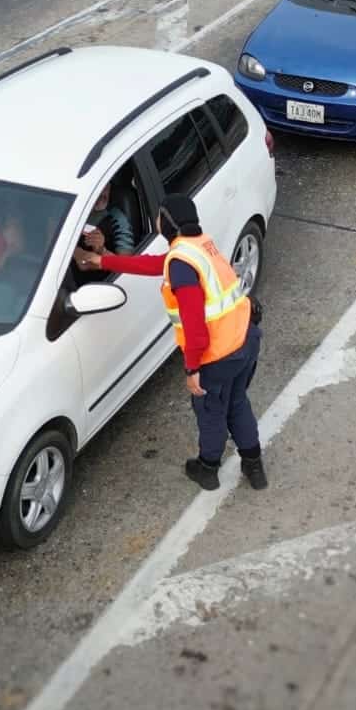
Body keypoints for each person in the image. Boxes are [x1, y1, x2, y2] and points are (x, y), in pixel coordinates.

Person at [79, 192, 267, 492]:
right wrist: (102, 260)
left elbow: (195, 327)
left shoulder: (182, 264)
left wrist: (192, 370)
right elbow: (155, 264)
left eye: (158, 216)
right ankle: (254, 466)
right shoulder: (197, 245)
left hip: (219, 354)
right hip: (246, 338)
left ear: (166, 222)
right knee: (236, 403)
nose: (155, 221)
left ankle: (207, 468)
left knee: (211, 412)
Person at [72, 180, 136, 282]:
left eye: (105, 186)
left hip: (104, 283)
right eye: (97, 187)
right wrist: (77, 253)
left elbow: (127, 268)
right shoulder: (69, 211)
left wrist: (101, 250)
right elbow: (52, 241)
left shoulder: (117, 220)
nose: (101, 193)